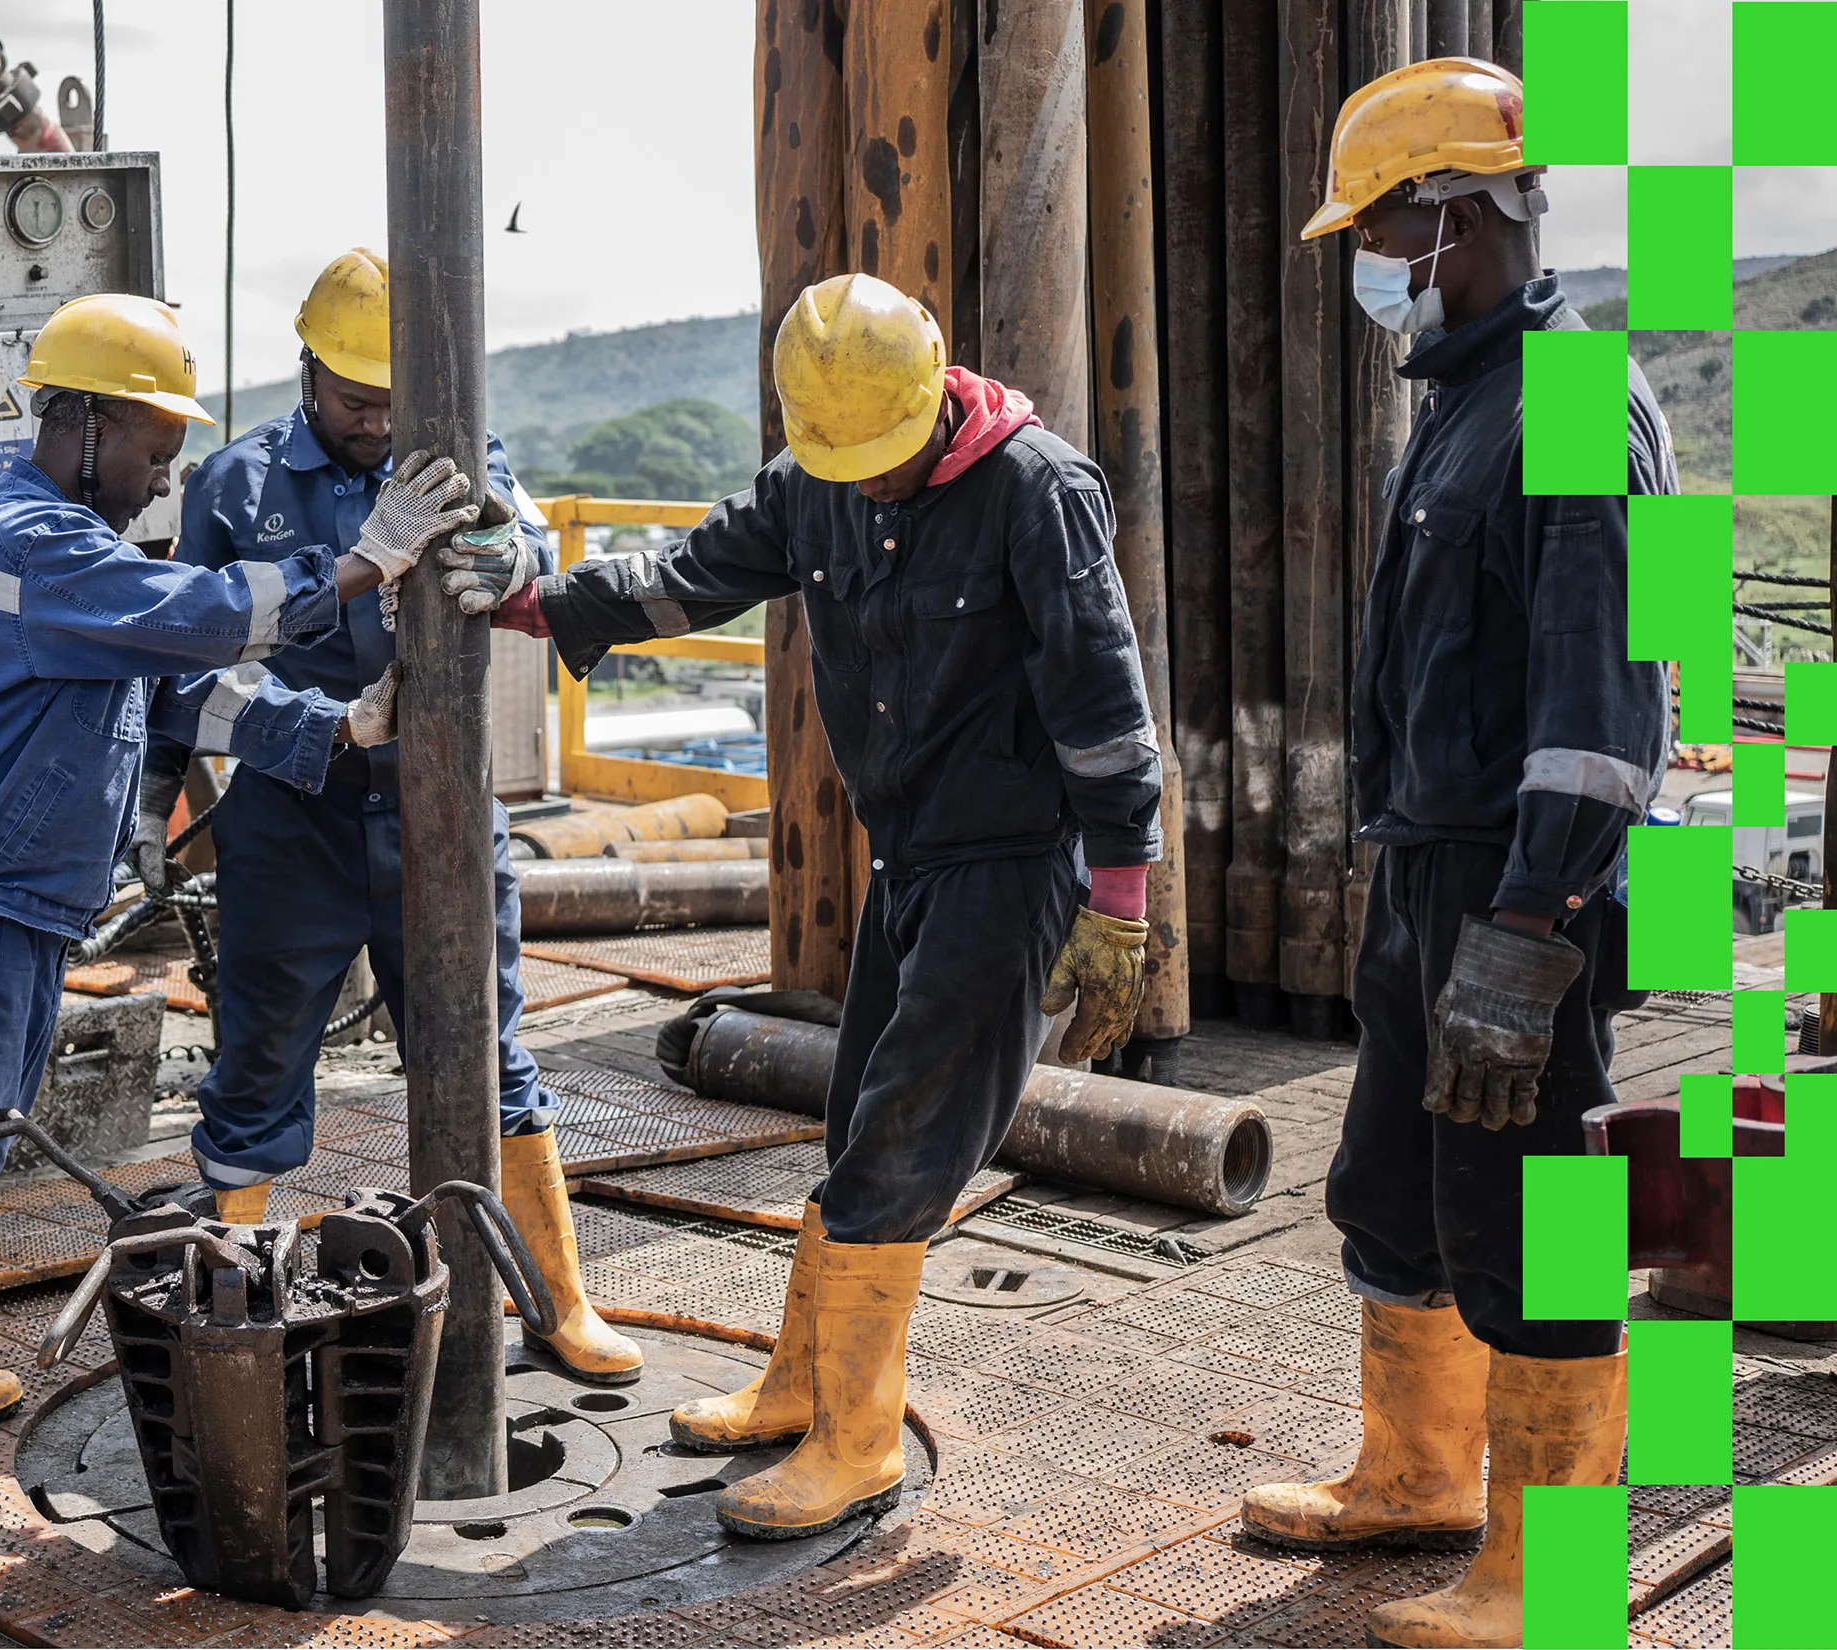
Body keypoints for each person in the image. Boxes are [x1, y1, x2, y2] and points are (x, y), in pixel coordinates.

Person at [436, 271, 1163, 1540]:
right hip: (910, 858)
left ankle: (857, 1441)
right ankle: (802, 1384)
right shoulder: (816, 480)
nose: (869, 483)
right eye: (847, 463)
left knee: (901, 1139)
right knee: (853, 1125)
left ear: (936, 392)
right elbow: (691, 577)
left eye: (885, 458)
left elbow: (1104, 707)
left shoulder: (1037, 492)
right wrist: (533, 599)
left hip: (1009, 864)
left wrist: (1119, 896)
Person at [0, 292, 480, 1508]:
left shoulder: (72, 559)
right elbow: (198, 616)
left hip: (3, 891)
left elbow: (182, 694)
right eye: (156, 452)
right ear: (87, 422)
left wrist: (339, 726)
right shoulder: (34, 543)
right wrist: (363, 562)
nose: (164, 480)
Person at [1237, 59, 1674, 1650]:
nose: (1361, 259)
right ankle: (1417, 1475)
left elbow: (1608, 700)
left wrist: (1531, 922)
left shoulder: (1572, 395)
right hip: (1431, 874)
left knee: (1532, 1220)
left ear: (1446, 217)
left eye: (1372, 225)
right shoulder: (1463, 396)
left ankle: (1546, 1582)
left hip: (1520, 897)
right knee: (1398, 1195)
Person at [143, 248, 643, 1387]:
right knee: (259, 1061)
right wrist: (291, 735)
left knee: (485, 1054)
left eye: (393, 397)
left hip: (442, 823)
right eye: (358, 398)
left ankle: (559, 1302)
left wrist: (520, 554)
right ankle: (238, 1315)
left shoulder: (457, 451)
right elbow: (187, 662)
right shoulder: (236, 484)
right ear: (309, 369)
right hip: (293, 824)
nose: (377, 420)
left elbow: (535, 559)